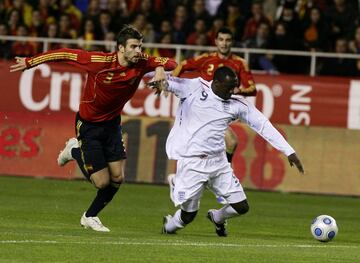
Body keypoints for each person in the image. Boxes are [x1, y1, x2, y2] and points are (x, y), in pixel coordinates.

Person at [10, 25, 177, 232]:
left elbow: (172, 63)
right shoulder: (99, 62)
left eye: (140, 46)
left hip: (112, 125)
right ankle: (74, 150)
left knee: (118, 178)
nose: (138, 51)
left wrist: (159, 67)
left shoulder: (142, 62)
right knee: (102, 182)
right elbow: (63, 53)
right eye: (133, 46)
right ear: (121, 48)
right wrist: (30, 62)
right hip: (89, 126)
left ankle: (90, 216)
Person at [149, 66, 304, 236]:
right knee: (188, 216)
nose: (233, 91)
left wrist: (288, 151)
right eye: (229, 87)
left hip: (218, 163)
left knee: (242, 207)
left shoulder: (237, 104)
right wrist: (159, 78)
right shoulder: (193, 87)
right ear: (216, 83)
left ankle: (217, 217)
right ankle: (169, 223)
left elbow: (263, 125)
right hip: (192, 163)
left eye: (235, 86)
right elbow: (165, 81)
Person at [172, 27, 257, 165]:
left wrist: (238, 91)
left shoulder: (240, 63)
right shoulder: (206, 59)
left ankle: (179, 179)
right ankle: (225, 172)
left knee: (219, 148)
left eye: (228, 40)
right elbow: (182, 65)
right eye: (221, 40)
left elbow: (252, 88)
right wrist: (170, 83)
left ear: (232, 42)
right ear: (216, 41)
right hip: (203, 109)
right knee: (230, 142)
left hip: (221, 111)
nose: (224, 43)